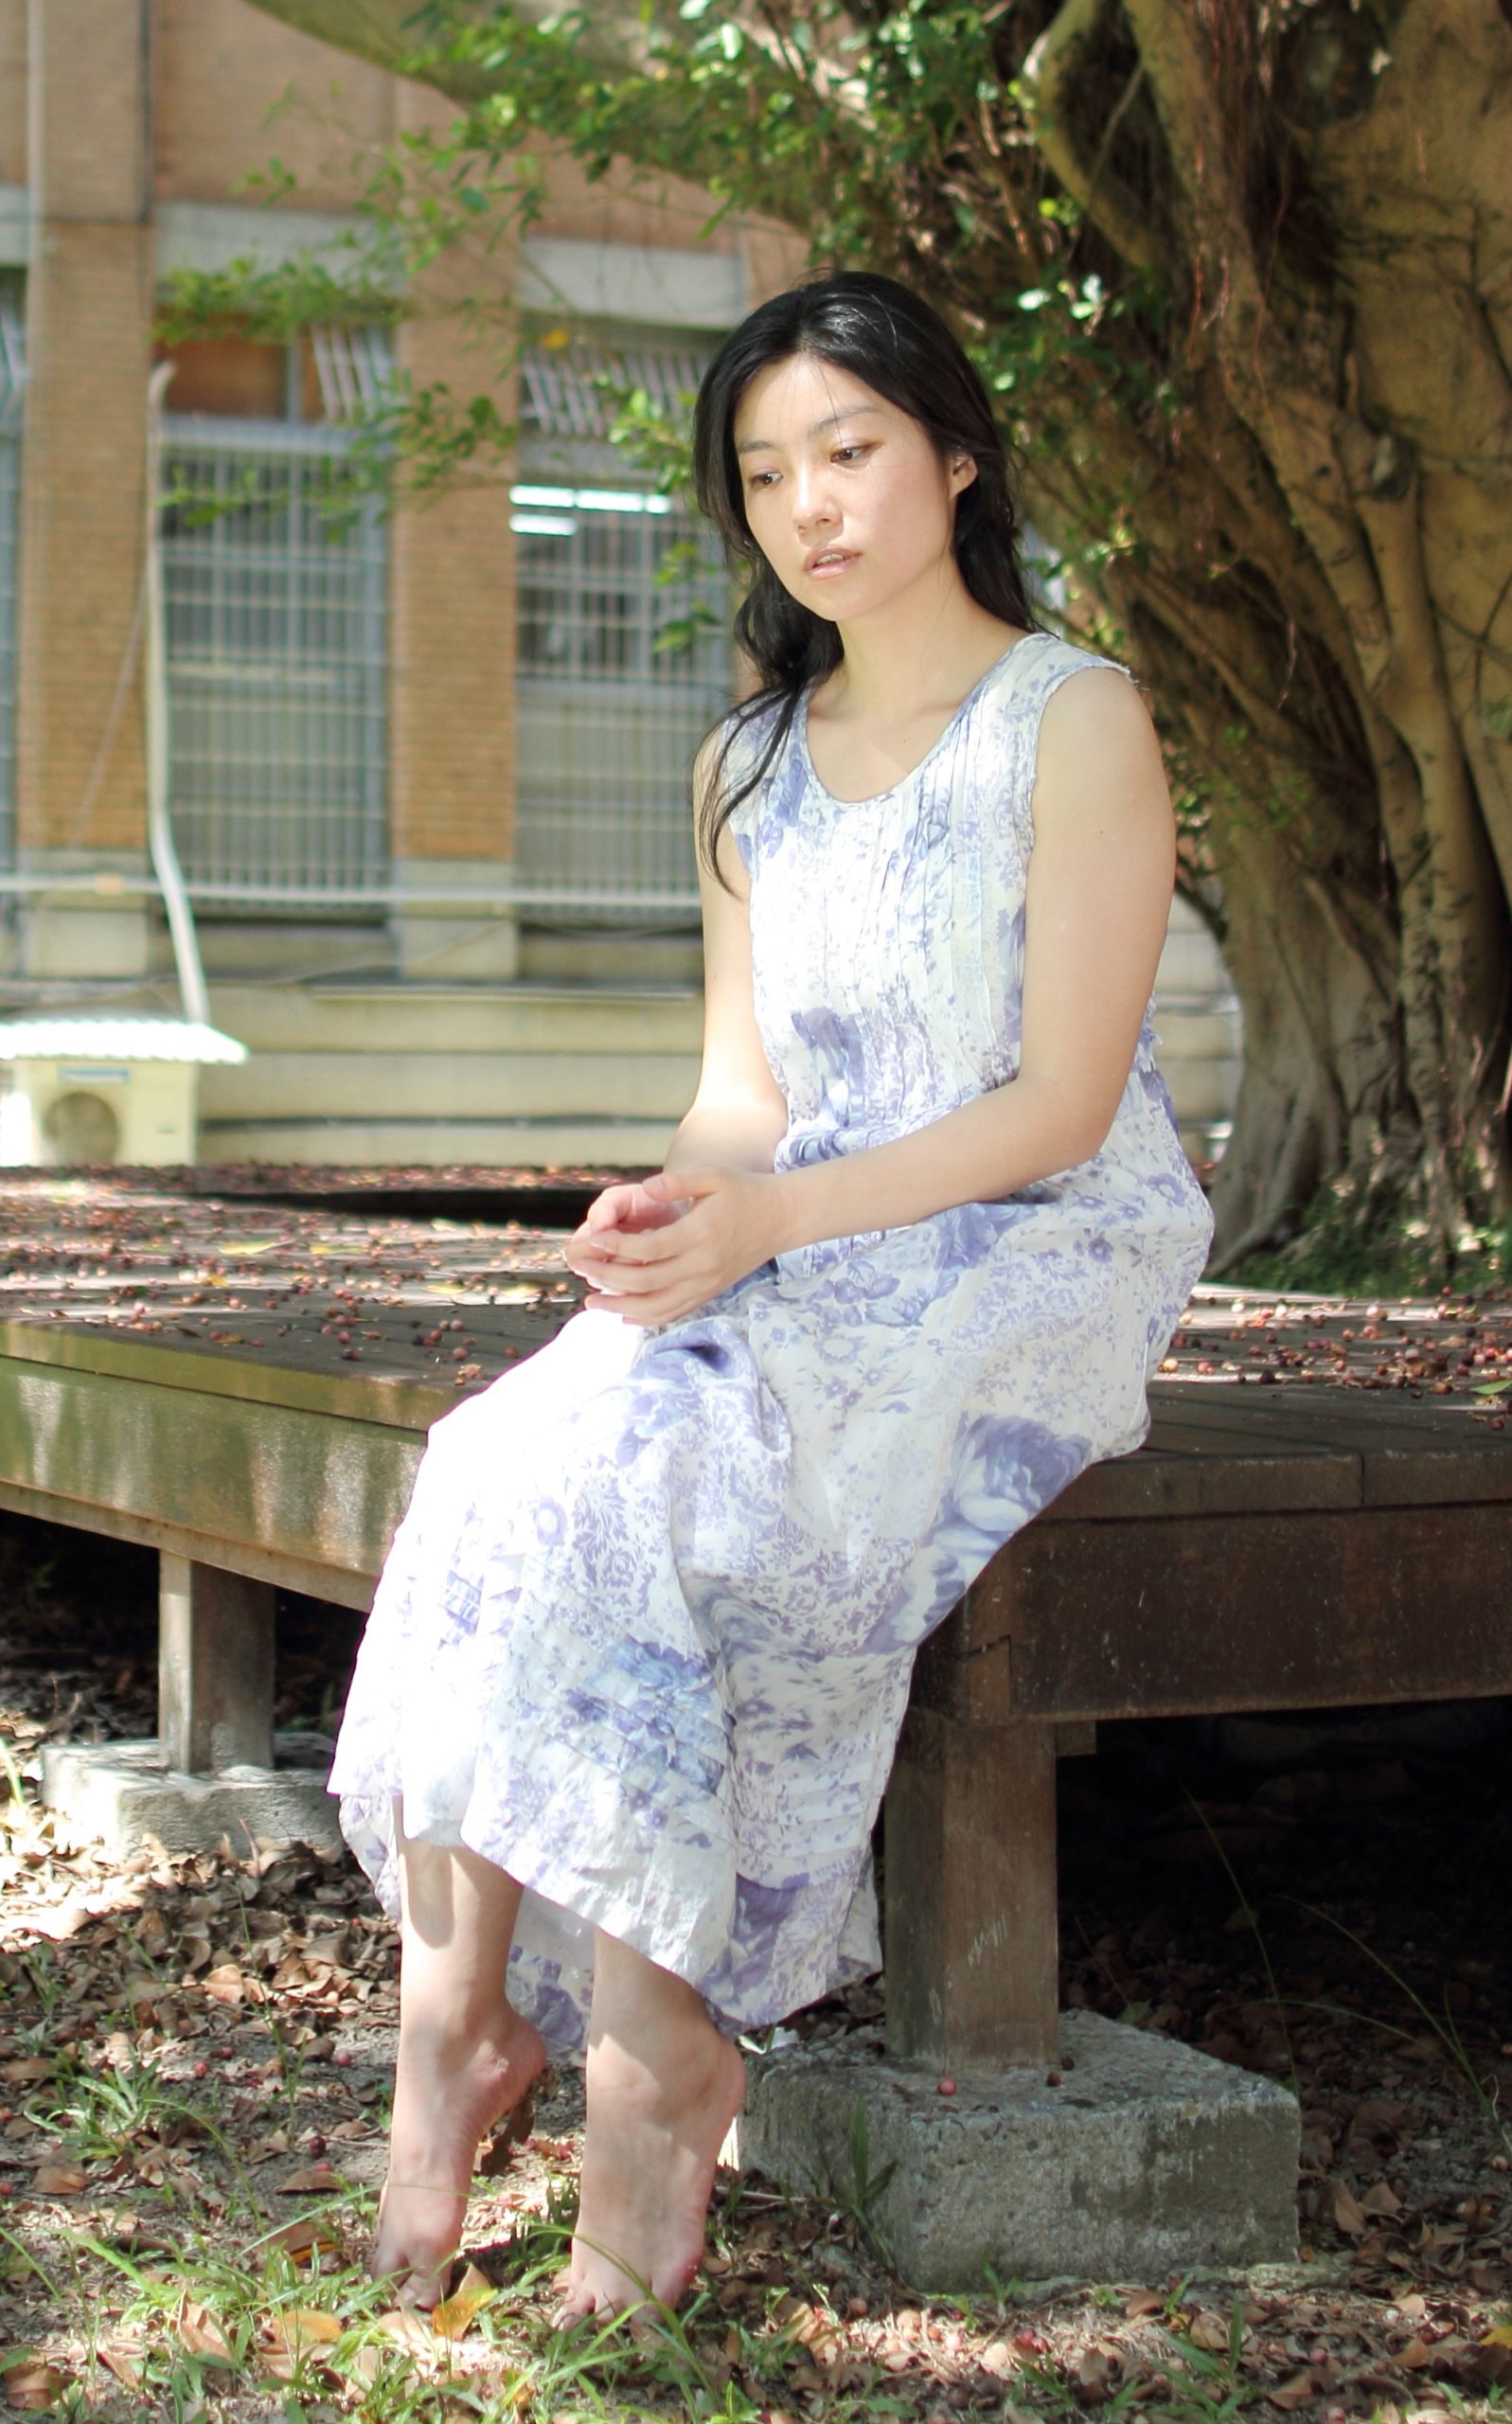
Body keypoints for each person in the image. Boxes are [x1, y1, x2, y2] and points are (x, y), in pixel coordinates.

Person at [326, 269, 1215, 2322]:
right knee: (500, 1454)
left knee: (681, 1473)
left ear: (954, 456)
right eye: (761, 471)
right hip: (805, 1223)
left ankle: (654, 2053)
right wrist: (677, 1205)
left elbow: (1063, 1102)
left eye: (848, 449)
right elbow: (742, 1095)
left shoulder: (1070, 717)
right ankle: (455, 2019)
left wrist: (773, 1223)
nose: (807, 502)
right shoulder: (747, 761)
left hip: (1037, 1236)